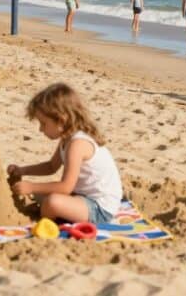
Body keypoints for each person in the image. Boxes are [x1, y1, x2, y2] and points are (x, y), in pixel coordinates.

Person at [7, 83, 123, 224]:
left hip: (100, 208)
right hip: (81, 197)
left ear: (61, 120)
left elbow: (65, 187)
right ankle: (53, 211)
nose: (40, 129)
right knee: (38, 194)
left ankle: (49, 219)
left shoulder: (77, 144)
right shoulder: (66, 138)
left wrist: (31, 186)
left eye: (44, 123)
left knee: (52, 202)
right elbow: (51, 166)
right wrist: (23, 170)